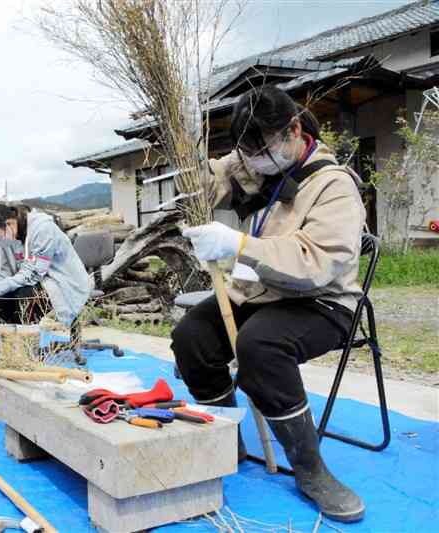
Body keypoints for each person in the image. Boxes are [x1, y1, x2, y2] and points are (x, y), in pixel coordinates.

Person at [173, 86, 366, 523]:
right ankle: (226, 438)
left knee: (259, 347)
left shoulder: (333, 186)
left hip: (321, 300)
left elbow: (315, 264)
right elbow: (216, 175)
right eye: (246, 150)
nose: (253, 159)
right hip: (261, 290)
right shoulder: (254, 161)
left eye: (262, 148)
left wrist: (239, 243)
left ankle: (311, 469)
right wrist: (190, 183)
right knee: (192, 337)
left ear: (293, 130)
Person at [0, 204, 90, 328]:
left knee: (26, 295)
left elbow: (33, 274)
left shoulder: (43, 229)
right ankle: (10, 341)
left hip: (63, 282)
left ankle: (35, 341)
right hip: (37, 280)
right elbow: (5, 270)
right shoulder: (7, 237)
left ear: (8, 224)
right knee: (4, 298)